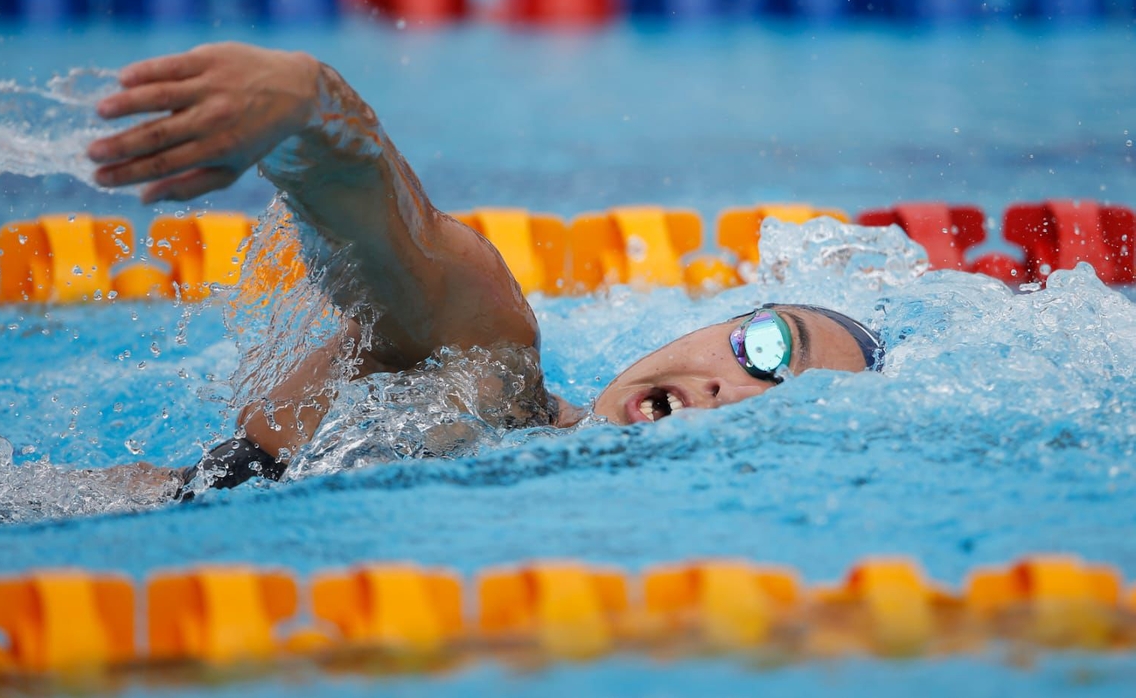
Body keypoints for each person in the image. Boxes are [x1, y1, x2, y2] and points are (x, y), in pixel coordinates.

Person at [87, 42, 883, 496]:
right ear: (715, 323)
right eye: (769, 351)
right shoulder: (495, 383)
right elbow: (401, 239)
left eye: (780, 413)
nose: (727, 391)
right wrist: (310, 103)